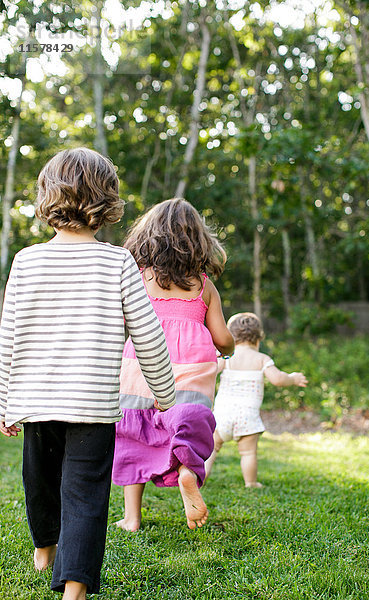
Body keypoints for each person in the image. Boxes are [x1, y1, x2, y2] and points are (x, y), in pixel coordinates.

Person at [0, 148, 176, 600]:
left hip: (37, 399)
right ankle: (73, 587)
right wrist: (164, 392)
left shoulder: (26, 261)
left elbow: (8, 339)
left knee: (38, 480)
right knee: (85, 494)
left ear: (47, 198)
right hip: (91, 404)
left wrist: (6, 402)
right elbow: (148, 336)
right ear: (107, 202)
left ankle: (45, 550)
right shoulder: (116, 262)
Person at [112, 197, 234, 532]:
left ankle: (132, 518)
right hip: (192, 372)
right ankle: (187, 472)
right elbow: (222, 338)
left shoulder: (139, 278)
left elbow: (122, 319)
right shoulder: (203, 286)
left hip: (142, 367)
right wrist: (231, 348)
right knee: (188, 429)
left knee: (133, 436)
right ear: (198, 240)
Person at [205, 312, 307, 488]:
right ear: (259, 339)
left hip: (223, 413)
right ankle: (250, 482)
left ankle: (201, 478)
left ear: (231, 336)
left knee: (211, 449)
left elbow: (211, 370)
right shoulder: (262, 359)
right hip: (247, 417)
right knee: (248, 452)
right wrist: (292, 378)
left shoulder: (228, 356)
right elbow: (278, 379)